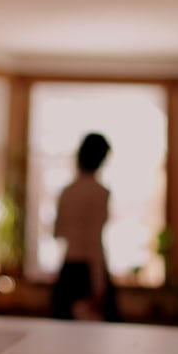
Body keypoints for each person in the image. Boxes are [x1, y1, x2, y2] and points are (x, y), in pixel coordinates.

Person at [51, 132, 121, 322]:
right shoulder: (100, 193)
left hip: (68, 271)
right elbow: (93, 241)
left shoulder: (67, 192)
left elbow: (58, 232)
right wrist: (98, 286)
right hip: (89, 272)